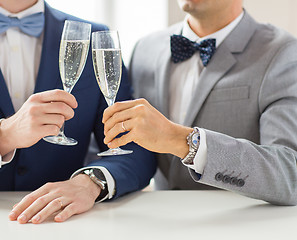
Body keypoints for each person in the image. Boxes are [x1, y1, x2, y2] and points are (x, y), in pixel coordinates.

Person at [0, 0, 156, 224]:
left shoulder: (93, 36)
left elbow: (135, 148)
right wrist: (2, 136)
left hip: (67, 224)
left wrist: (91, 182)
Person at [102, 0, 297, 205]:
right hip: (155, 222)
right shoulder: (145, 49)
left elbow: (289, 174)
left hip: (238, 225)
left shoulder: (281, 53)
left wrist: (182, 141)